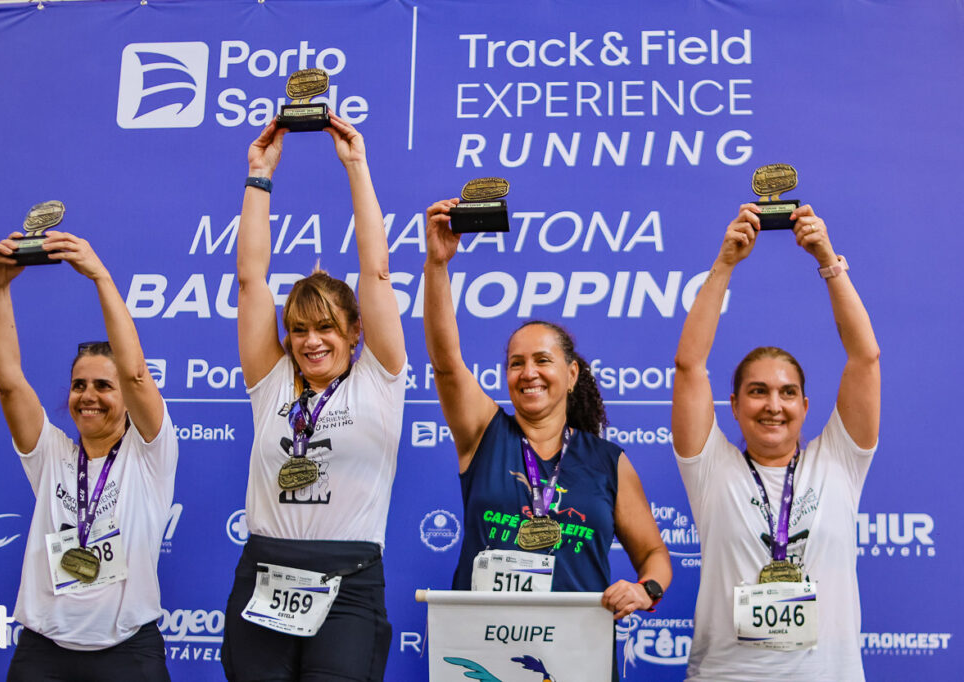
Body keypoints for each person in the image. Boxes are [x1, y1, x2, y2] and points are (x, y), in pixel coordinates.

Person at [423, 199, 672, 676]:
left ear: (572, 374)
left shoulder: (607, 461)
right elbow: (447, 363)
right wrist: (437, 265)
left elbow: (654, 555)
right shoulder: (483, 434)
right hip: (482, 650)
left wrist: (646, 589)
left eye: (542, 360)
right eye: (516, 363)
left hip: (575, 656)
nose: (528, 373)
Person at [222, 113, 406, 682]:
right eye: (299, 329)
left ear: (354, 332)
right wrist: (259, 175)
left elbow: (376, 273)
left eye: (326, 327)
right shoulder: (272, 379)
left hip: (348, 580)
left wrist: (356, 165)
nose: (311, 341)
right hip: (265, 573)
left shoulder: (380, 377)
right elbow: (251, 280)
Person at [671, 204, 880, 681]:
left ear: (805, 405)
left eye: (787, 393)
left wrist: (828, 261)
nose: (773, 405)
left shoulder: (840, 461)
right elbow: (689, 366)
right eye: (758, 391)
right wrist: (725, 264)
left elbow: (865, 358)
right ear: (734, 404)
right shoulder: (709, 467)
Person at [0, 230, 178, 681]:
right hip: (44, 654)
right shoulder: (51, 453)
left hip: (128, 654)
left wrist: (100, 277)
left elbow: (136, 373)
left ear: (127, 398)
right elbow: (10, 383)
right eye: (79, 385)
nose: (88, 396)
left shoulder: (149, 453)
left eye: (103, 386)